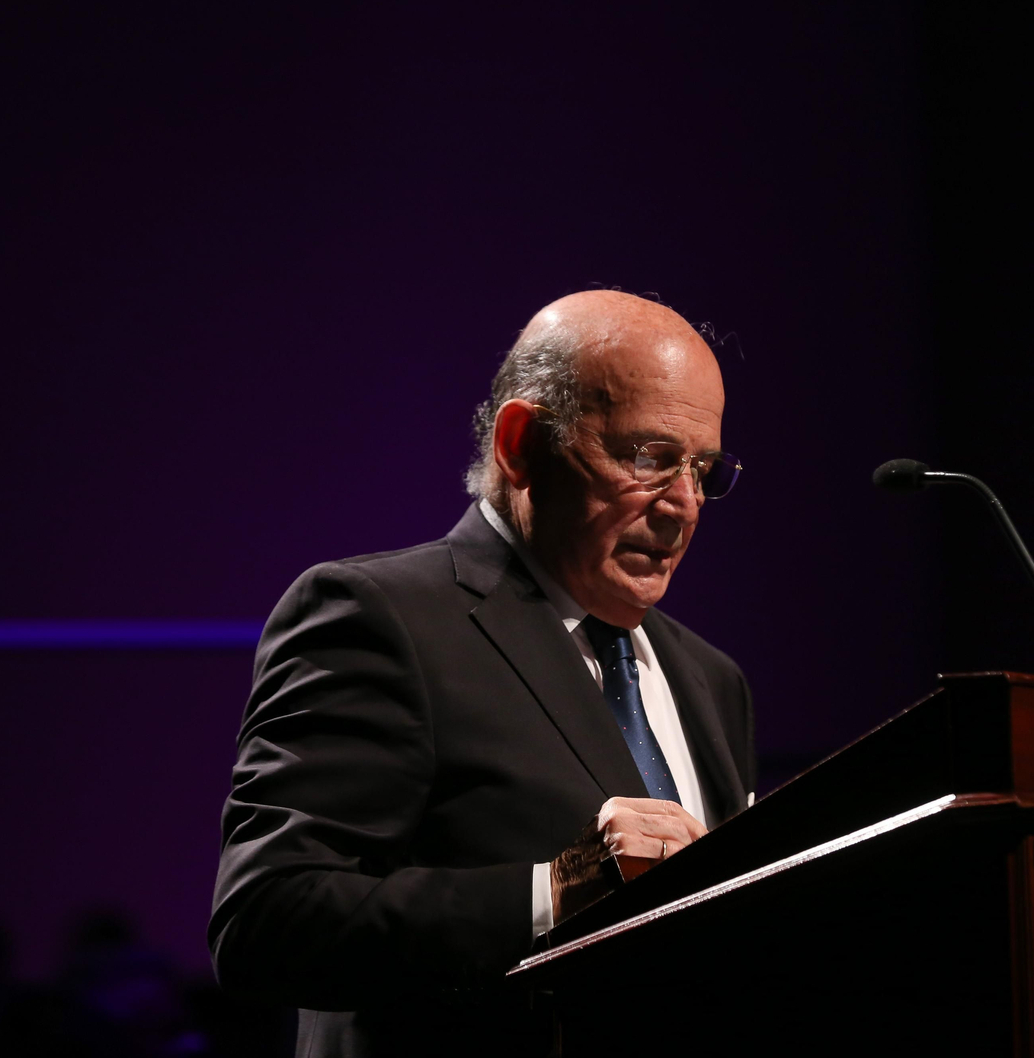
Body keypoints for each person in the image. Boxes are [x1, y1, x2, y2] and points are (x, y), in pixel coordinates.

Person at [208, 290, 755, 1055]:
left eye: (703, 470)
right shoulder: (377, 617)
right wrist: (557, 891)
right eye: (649, 458)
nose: (685, 506)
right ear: (520, 443)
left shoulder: (709, 677)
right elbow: (267, 924)